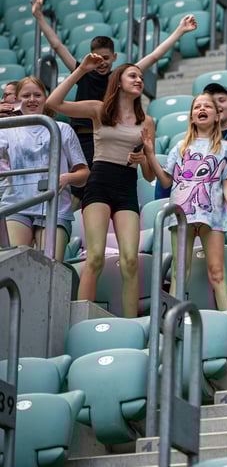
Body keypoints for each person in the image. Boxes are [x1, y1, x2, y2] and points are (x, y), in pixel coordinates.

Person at [31, 0, 196, 202]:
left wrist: (179, 31)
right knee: (79, 191)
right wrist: (39, 16)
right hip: (82, 138)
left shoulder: (121, 78)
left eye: (106, 59)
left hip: (109, 139)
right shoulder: (83, 72)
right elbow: (57, 46)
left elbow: (154, 55)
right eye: (97, 58)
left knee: (103, 188)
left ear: (114, 58)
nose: (102, 63)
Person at [46, 53, 157, 318]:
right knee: (94, 258)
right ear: (117, 81)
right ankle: (83, 322)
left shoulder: (148, 121)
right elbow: (53, 102)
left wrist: (144, 159)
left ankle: (132, 326)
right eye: (133, 75)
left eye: (141, 77)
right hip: (99, 183)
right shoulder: (99, 109)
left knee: (130, 261)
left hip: (127, 186)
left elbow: (150, 176)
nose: (139, 79)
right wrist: (82, 70)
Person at [141, 93, 227, 310]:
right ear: (192, 116)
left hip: (213, 215)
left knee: (217, 271)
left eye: (207, 106)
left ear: (216, 116)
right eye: (197, 107)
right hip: (181, 214)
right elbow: (166, 181)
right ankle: (171, 322)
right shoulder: (180, 147)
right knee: (179, 272)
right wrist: (150, 155)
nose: (201, 109)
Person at [0, 76, 89, 262]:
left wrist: (66, 178)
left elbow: (83, 174)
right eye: (26, 95)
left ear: (45, 98)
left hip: (54, 207)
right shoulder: (5, 130)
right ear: (16, 99)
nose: (32, 99)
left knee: (49, 268)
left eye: (37, 95)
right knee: (15, 265)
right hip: (16, 205)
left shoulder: (62, 129)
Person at [153, 83, 227, 200]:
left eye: (221, 100)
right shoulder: (194, 139)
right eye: (212, 102)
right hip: (201, 177)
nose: (217, 104)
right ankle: (164, 210)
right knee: (169, 172)